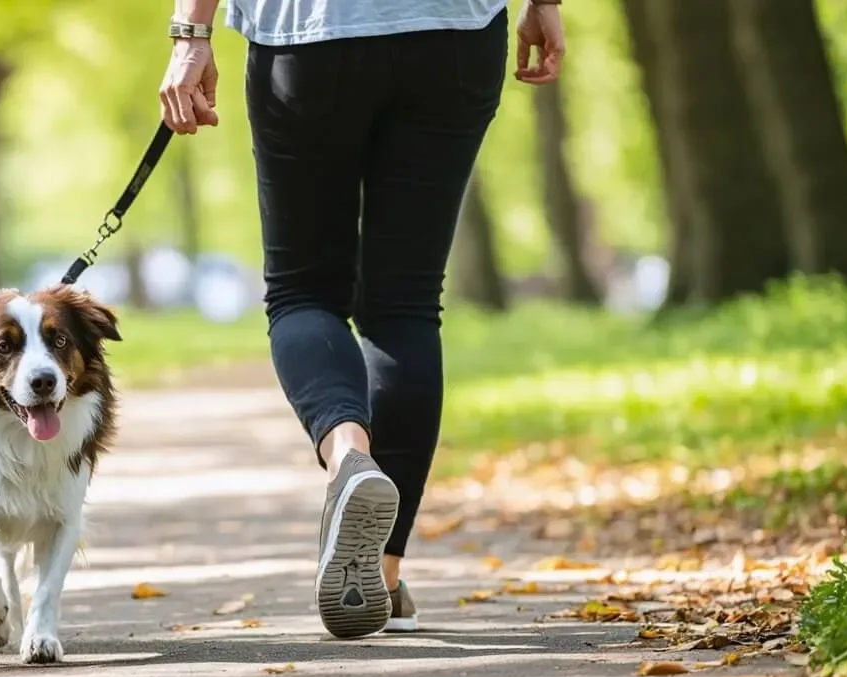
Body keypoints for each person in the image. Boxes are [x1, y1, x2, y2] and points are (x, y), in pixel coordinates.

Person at [159, 0, 565, 639]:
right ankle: (384, 572)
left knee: (301, 292)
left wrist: (191, 35)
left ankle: (349, 454)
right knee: (404, 304)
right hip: (452, 35)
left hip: (309, 36)